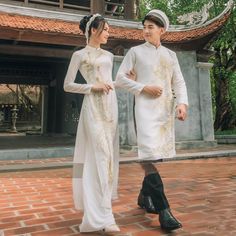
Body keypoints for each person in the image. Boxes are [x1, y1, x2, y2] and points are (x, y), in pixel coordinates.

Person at [116, 9, 188, 231]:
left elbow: (179, 82)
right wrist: (143, 87)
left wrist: (182, 104)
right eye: (144, 26)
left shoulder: (170, 55)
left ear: (162, 30)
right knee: (148, 155)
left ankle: (143, 196)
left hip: (164, 112)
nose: (146, 31)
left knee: (155, 158)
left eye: (151, 27)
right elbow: (119, 79)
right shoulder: (135, 52)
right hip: (145, 110)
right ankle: (164, 210)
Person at [64, 14, 120, 233]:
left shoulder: (109, 55)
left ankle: (106, 215)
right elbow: (68, 85)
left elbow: (110, 82)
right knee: (97, 158)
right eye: (105, 29)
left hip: (110, 107)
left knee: (108, 160)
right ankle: (97, 216)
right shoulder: (79, 55)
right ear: (93, 30)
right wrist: (91, 87)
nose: (108, 33)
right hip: (93, 108)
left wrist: (123, 80)